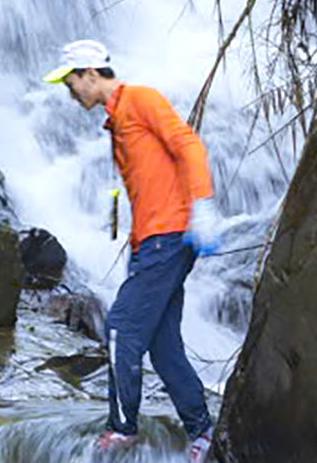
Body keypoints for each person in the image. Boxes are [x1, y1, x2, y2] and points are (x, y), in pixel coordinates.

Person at [44, 39, 222, 463]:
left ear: (91, 74)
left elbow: (189, 145)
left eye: (72, 83)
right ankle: (203, 433)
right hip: (154, 244)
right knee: (162, 348)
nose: (70, 93)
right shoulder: (117, 118)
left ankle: (122, 430)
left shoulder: (140, 98)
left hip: (169, 237)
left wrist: (203, 206)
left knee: (121, 327)